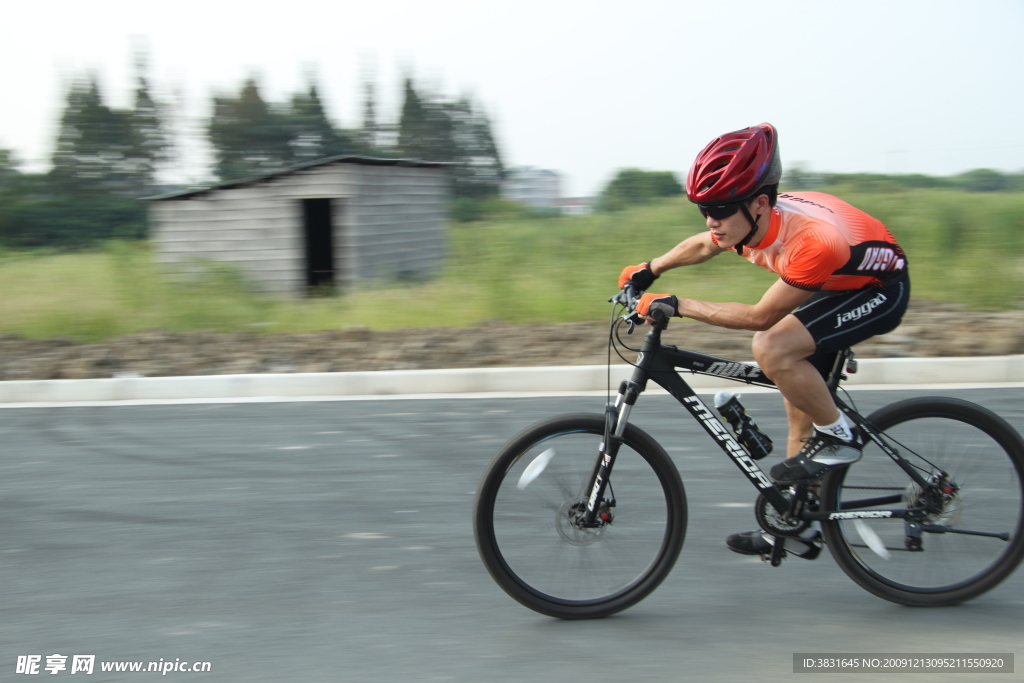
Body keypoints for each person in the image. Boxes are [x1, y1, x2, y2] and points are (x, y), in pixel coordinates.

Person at [618, 123, 909, 559]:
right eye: (704, 208)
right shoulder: (748, 222)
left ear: (758, 203)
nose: (711, 220)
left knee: (772, 346)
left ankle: (842, 436)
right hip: (836, 283)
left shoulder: (812, 242)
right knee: (799, 414)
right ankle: (795, 525)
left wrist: (675, 304)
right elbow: (705, 244)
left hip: (878, 289)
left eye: (720, 208)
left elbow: (761, 317)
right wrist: (651, 268)